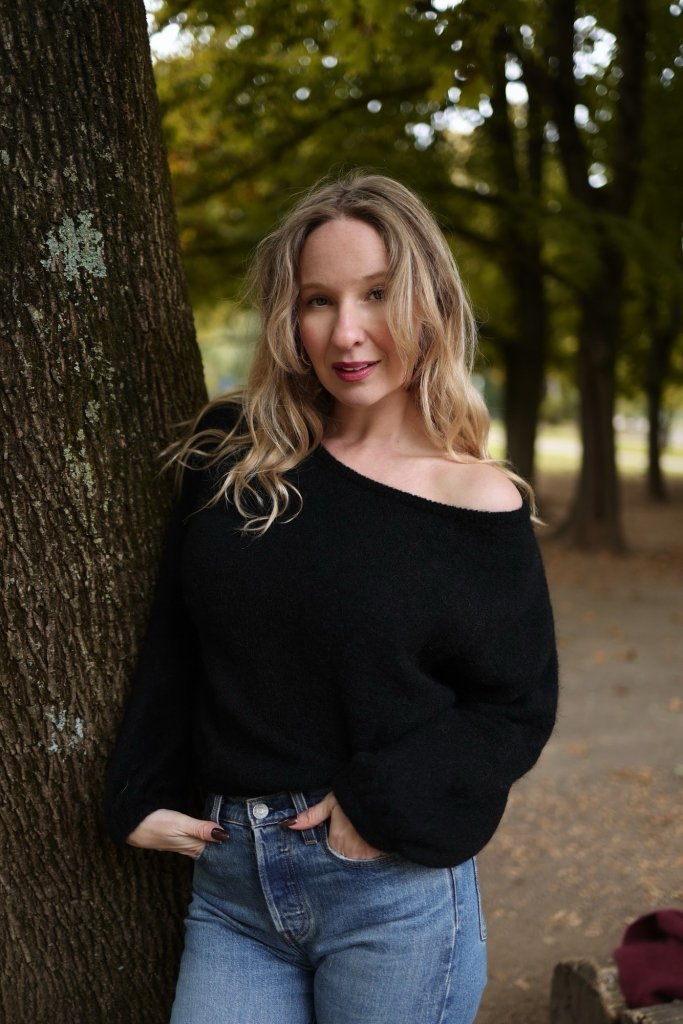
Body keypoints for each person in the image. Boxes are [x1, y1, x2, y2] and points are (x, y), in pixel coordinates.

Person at [104, 172, 558, 1024]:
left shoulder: (473, 500)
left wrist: (375, 807)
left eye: (377, 294)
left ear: (428, 303)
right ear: (290, 317)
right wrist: (137, 790)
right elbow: (176, 634)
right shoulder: (233, 452)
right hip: (231, 890)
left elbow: (513, 707)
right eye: (319, 300)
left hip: (389, 894)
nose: (346, 332)